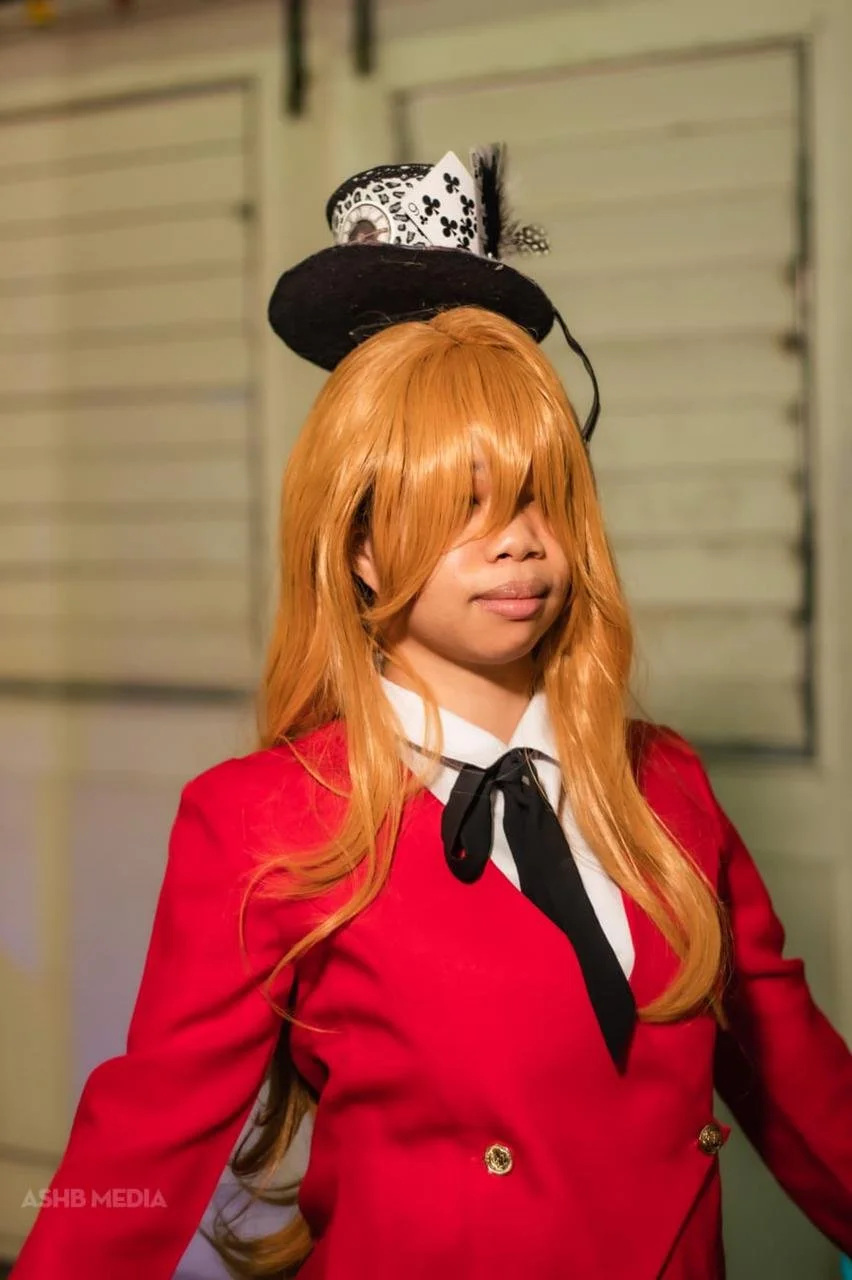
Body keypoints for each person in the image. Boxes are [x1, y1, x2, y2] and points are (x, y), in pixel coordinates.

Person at [11, 147, 852, 1280]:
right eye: (460, 505)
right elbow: (138, 1156)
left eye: (541, 500)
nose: (518, 540)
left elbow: (808, 1095)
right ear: (357, 544)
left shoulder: (667, 787)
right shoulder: (260, 823)